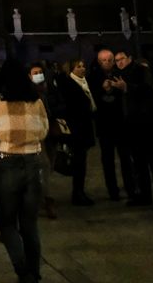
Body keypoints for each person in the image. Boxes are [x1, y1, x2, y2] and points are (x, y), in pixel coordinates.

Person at [0, 60, 49, 283]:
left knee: (7, 222)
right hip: (33, 161)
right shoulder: (36, 102)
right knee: (30, 223)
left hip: (7, 161)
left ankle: (23, 271)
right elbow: (45, 130)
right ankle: (35, 271)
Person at [116, 50, 153, 210]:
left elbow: (145, 89)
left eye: (122, 59)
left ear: (129, 58)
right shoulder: (120, 74)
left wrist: (127, 87)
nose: (119, 62)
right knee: (139, 165)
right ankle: (145, 195)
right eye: (117, 60)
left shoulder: (141, 71)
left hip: (149, 125)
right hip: (133, 127)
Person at [87, 48, 135, 202]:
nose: (106, 63)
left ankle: (131, 188)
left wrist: (122, 88)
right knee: (107, 160)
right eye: (103, 60)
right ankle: (113, 191)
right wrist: (102, 89)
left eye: (109, 60)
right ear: (99, 62)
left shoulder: (120, 73)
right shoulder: (93, 77)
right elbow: (91, 98)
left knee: (126, 159)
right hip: (104, 124)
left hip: (121, 123)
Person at [57, 58, 96, 206]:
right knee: (79, 162)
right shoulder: (69, 84)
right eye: (78, 67)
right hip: (77, 128)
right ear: (71, 69)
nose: (82, 69)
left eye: (83, 66)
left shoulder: (85, 82)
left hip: (85, 126)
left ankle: (79, 192)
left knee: (82, 161)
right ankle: (78, 193)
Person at [28, 61, 63, 218]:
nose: (38, 75)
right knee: (44, 164)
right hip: (37, 133)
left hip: (51, 131)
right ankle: (45, 199)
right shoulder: (28, 92)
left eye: (39, 72)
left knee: (50, 164)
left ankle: (42, 195)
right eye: (34, 73)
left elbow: (60, 103)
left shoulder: (50, 88)